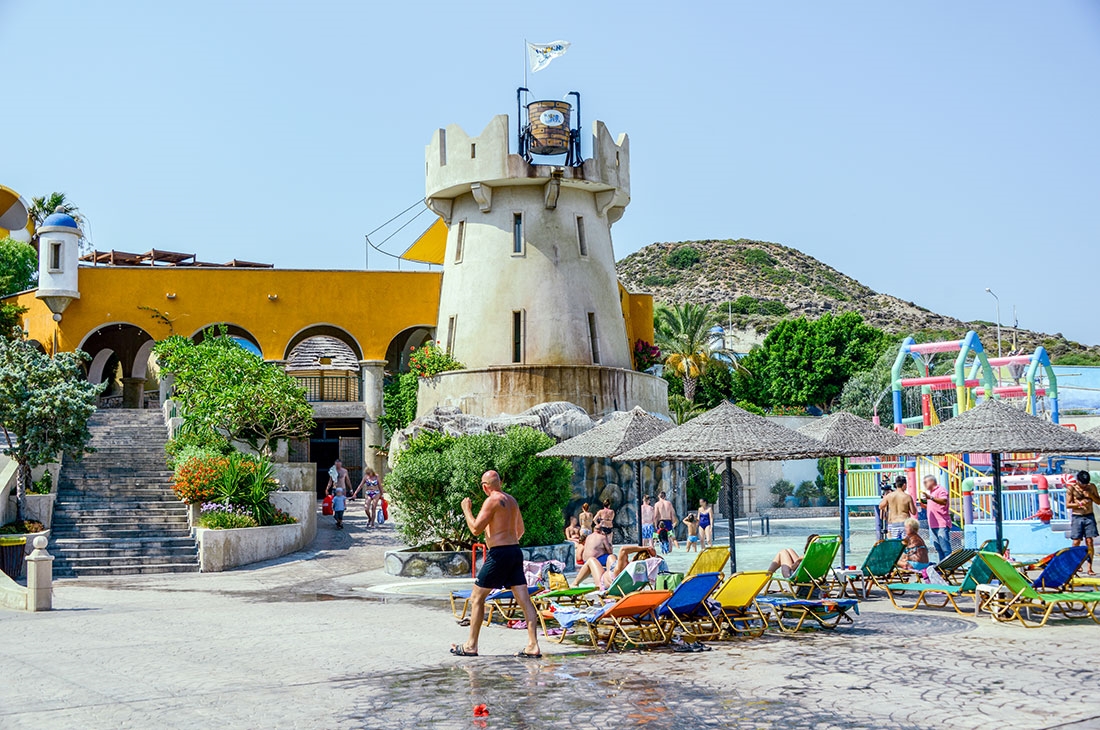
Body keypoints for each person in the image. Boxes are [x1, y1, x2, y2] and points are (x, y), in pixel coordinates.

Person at [451, 470, 541, 659]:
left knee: (477, 597)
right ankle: (533, 645)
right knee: (524, 600)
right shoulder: (512, 500)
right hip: (514, 551)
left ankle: (471, 645)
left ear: (485, 487)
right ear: (500, 482)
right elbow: (521, 530)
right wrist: (506, 539)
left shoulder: (491, 500)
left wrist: (466, 510)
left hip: (499, 555)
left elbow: (475, 529)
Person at [571, 544, 657, 589]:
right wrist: (654, 556)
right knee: (611, 557)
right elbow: (659, 561)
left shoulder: (624, 566)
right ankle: (610, 571)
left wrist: (644, 548)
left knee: (591, 560)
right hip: (621, 584)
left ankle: (575, 583)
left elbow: (623, 549)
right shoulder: (643, 571)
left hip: (604, 584)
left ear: (635, 556)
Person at [1067, 471, 1100, 575]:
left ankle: (1089, 568)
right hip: (1077, 517)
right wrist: (1080, 504)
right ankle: (1076, 564)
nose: (1084, 486)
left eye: (1086, 483)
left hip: (1089, 516)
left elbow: (1099, 501)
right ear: (1078, 481)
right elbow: (1068, 505)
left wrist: (1091, 496)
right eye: (1082, 483)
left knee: (1089, 541)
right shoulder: (1072, 488)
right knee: (1076, 541)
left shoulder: (1091, 487)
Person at [920, 475, 952, 562]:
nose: (924, 484)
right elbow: (934, 507)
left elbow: (944, 501)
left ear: (932, 481)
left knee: (945, 547)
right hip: (933, 524)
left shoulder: (941, 490)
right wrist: (924, 506)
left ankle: (949, 566)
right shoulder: (931, 493)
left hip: (941, 523)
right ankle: (942, 565)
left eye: (925, 482)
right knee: (938, 548)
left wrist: (930, 498)